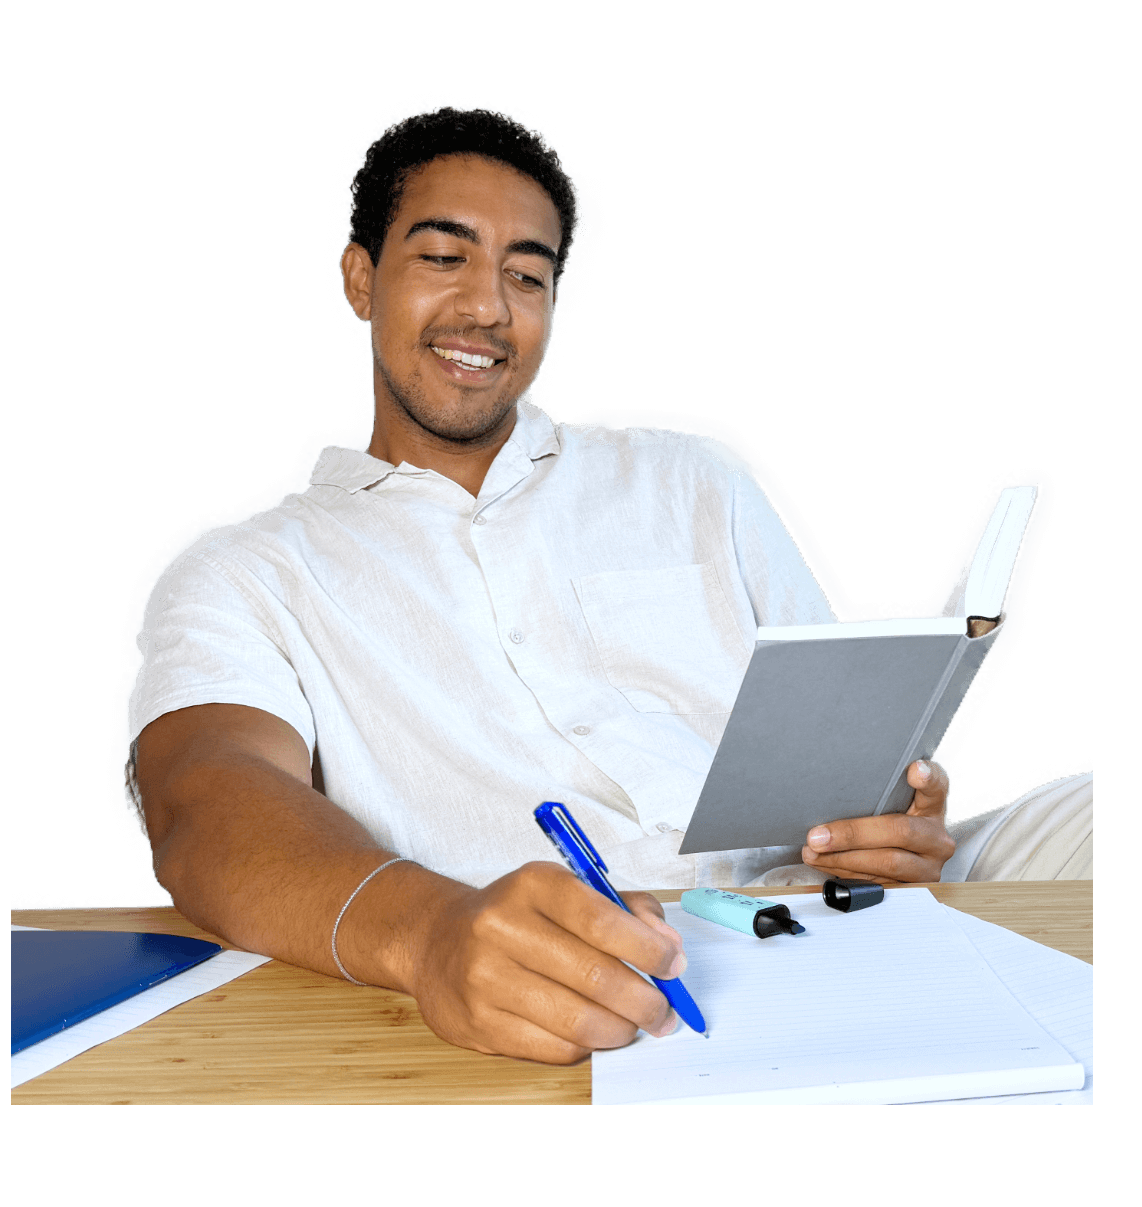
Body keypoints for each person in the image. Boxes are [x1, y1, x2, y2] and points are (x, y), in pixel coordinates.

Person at [126, 105, 1092, 1066]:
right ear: (360, 278)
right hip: (575, 968)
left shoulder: (693, 475)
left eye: (526, 274)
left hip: (817, 906)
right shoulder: (244, 567)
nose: (486, 308)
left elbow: (842, 740)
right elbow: (205, 796)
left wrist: (886, 824)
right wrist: (428, 934)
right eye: (444, 257)